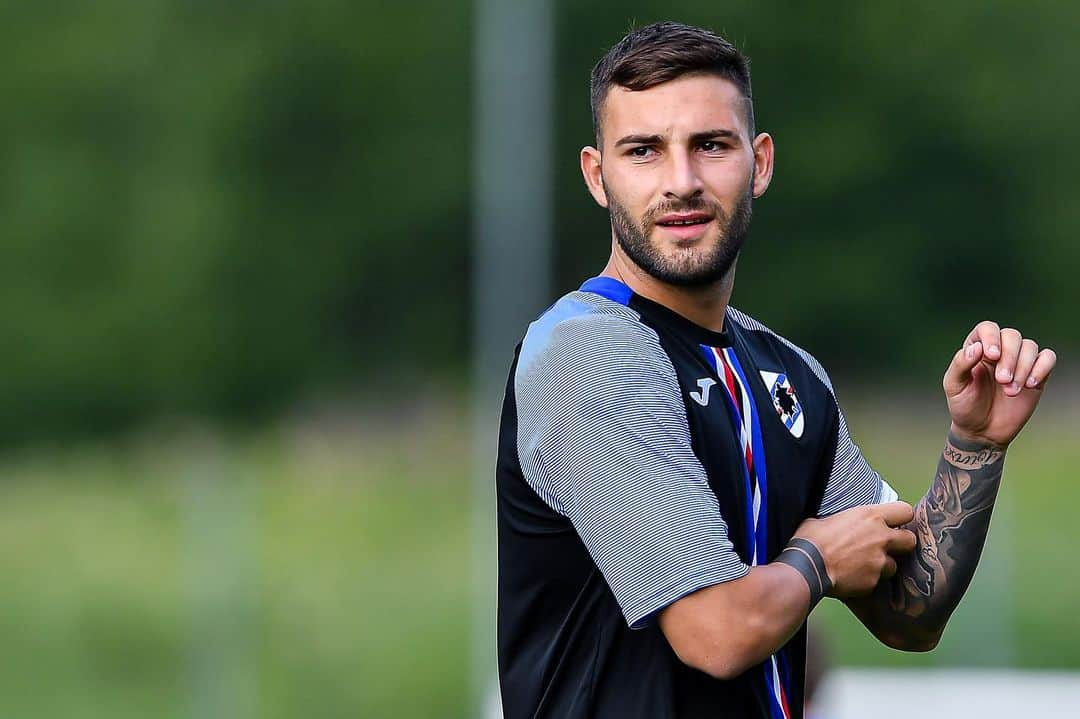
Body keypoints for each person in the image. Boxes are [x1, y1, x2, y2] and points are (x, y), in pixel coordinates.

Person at [494, 21, 1056, 719]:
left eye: (711, 145)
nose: (682, 181)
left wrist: (975, 442)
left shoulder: (788, 373)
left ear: (758, 163)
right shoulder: (588, 352)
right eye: (644, 150)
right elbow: (717, 632)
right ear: (597, 175)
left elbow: (910, 609)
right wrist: (816, 562)